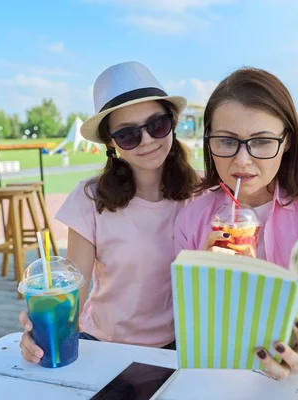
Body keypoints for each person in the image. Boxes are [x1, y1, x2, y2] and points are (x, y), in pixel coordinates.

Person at [174, 67, 298, 379]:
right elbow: (196, 329)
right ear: (208, 140)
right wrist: (202, 283)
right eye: (226, 141)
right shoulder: (193, 217)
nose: (242, 161)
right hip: (234, 377)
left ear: (287, 142)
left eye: (262, 142)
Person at [19, 61, 198, 363]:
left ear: (173, 123)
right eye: (128, 135)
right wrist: (46, 331)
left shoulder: (201, 192)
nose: (148, 140)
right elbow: (73, 290)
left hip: (184, 347)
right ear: (111, 144)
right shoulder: (89, 198)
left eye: (157, 125)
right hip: (104, 345)